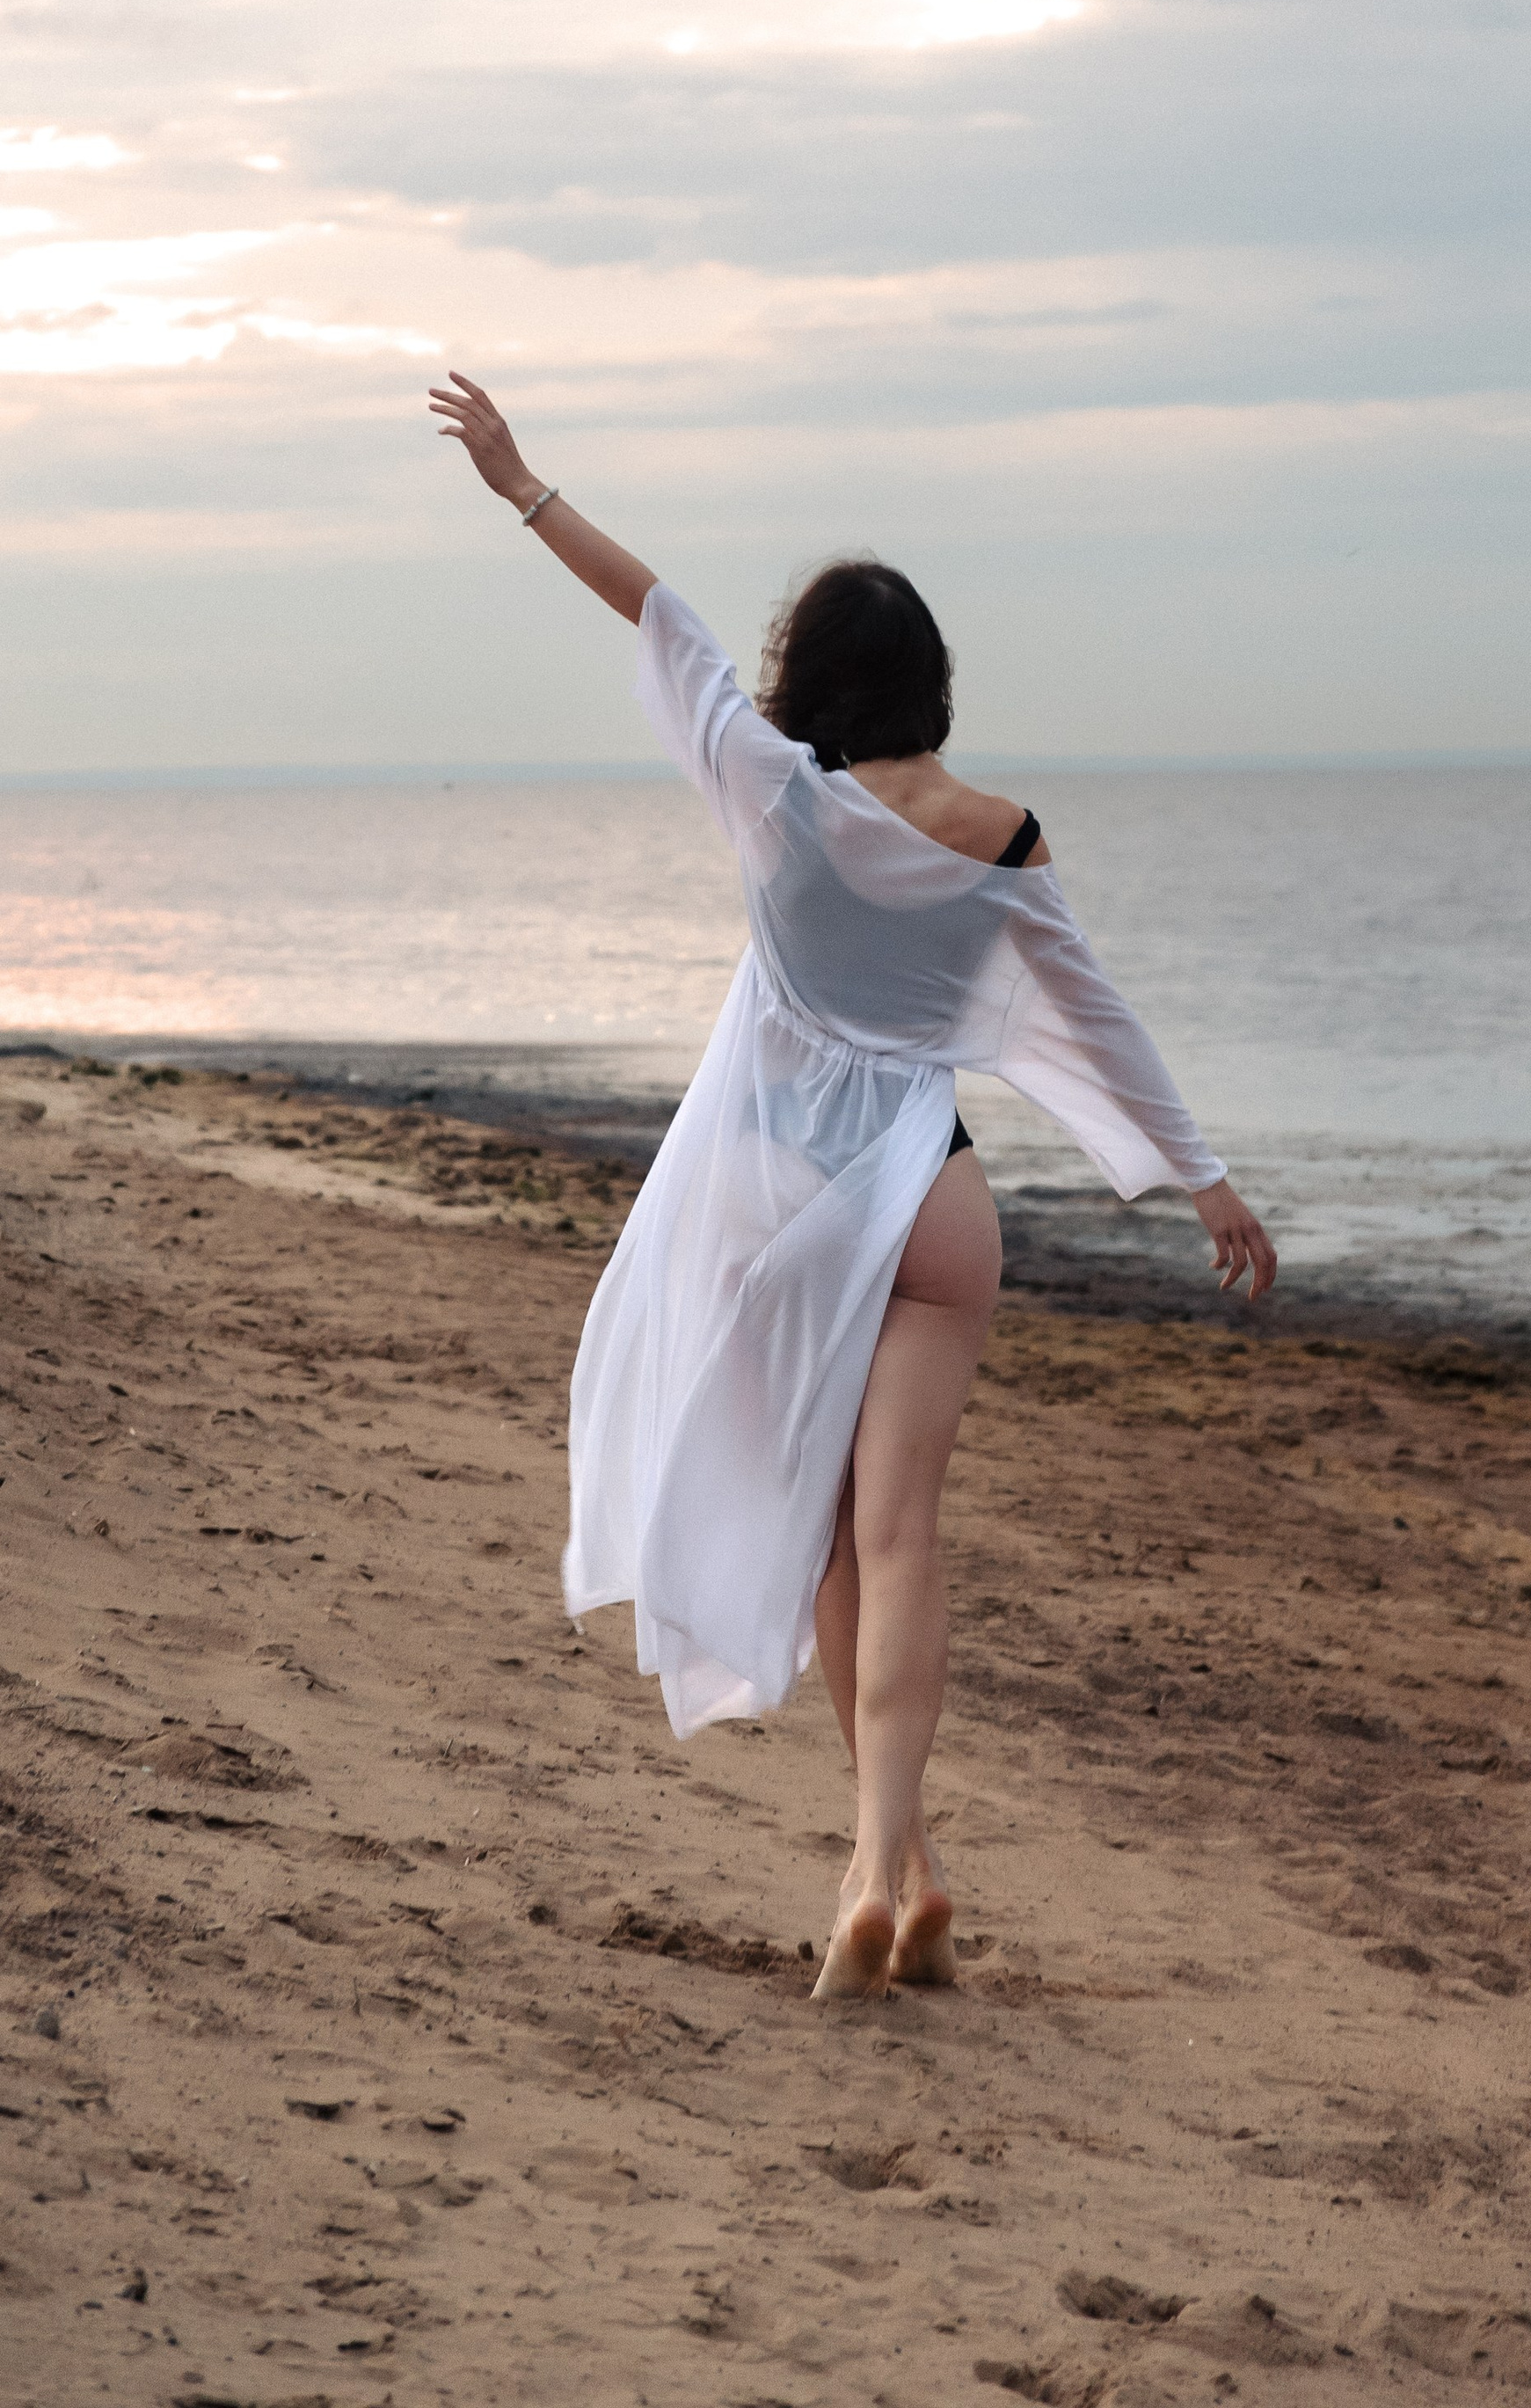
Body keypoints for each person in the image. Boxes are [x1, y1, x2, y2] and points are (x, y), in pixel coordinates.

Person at [431, 369, 1277, 2001]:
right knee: (904, 1538)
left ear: (807, 678)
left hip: (780, 1204)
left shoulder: (772, 792)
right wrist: (1203, 1181)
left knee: (832, 1540)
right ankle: (895, 1860)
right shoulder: (1000, 830)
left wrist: (522, 486)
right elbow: (1092, 1013)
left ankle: (880, 1872)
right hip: (931, 1203)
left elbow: (654, 609)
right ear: (934, 680)